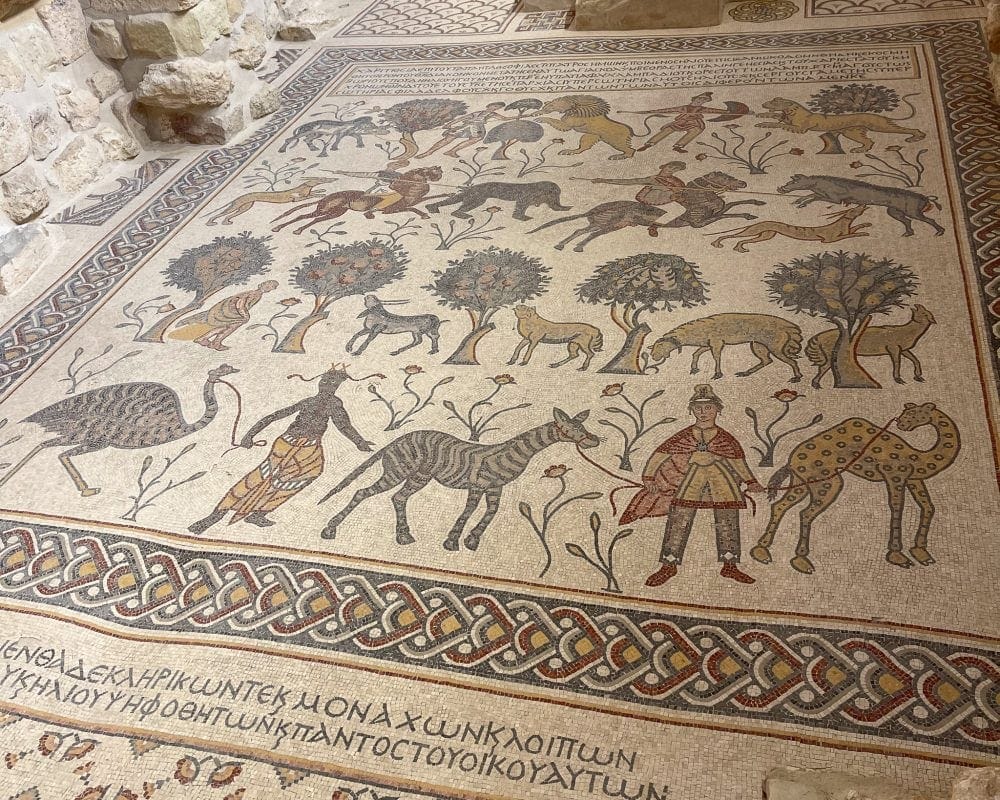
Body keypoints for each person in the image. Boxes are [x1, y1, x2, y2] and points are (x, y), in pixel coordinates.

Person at [188, 364, 383, 533]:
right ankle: (254, 513)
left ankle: (221, 514)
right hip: (306, 449)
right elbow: (344, 426)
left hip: (285, 442)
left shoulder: (310, 401)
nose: (327, 386)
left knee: (263, 475)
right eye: (329, 383)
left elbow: (276, 415)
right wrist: (360, 443)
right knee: (297, 475)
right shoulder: (333, 403)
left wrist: (251, 434)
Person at [620, 384, 763, 586]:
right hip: (691, 483)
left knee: (728, 520)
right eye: (698, 408)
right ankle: (668, 566)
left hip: (722, 483)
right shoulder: (684, 435)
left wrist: (751, 481)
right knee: (679, 518)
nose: (703, 413)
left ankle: (730, 566)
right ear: (692, 410)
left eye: (708, 408)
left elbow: (737, 461)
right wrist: (649, 477)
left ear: (718, 410)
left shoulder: (725, 438)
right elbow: (661, 454)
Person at [169, 280, 278, 350]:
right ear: (263, 284)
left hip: (231, 311)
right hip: (232, 312)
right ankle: (215, 342)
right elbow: (240, 303)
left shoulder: (257, 294)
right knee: (231, 326)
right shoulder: (255, 293)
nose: (269, 287)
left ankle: (204, 339)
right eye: (268, 284)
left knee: (226, 327)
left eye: (272, 286)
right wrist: (245, 315)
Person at [636, 92, 738, 154]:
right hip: (681, 121)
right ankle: (648, 144)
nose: (701, 101)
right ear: (694, 99)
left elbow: (714, 111)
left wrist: (727, 112)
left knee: (696, 130)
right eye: (700, 99)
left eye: (704, 100)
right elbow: (667, 110)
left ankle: (678, 146)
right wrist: (650, 112)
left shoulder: (702, 108)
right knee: (668, 129)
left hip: (694, 122)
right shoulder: (683, 107)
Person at [415, 102, 511, 159]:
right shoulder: (485, 113)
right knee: (454, 138)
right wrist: (449, 124)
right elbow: (461, 118)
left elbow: (505, 119)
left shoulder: (487, 114)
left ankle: (445, 151)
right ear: (490, 106)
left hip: (471, 127)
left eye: (498, 107)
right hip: (474, 127)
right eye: (495, 106)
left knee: (453, 138)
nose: (496, 108)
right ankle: (434, 152)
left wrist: (449, 124)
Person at [584, 161, 687, 205]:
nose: (671, 170)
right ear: (664, 166)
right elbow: (630, 182)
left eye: (675, 169)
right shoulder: (652, 179)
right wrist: (604, 180)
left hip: (663, 201)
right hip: (646, 199)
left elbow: (680, 193)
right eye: (670, 167)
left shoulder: (677, 181)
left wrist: (677, 195)